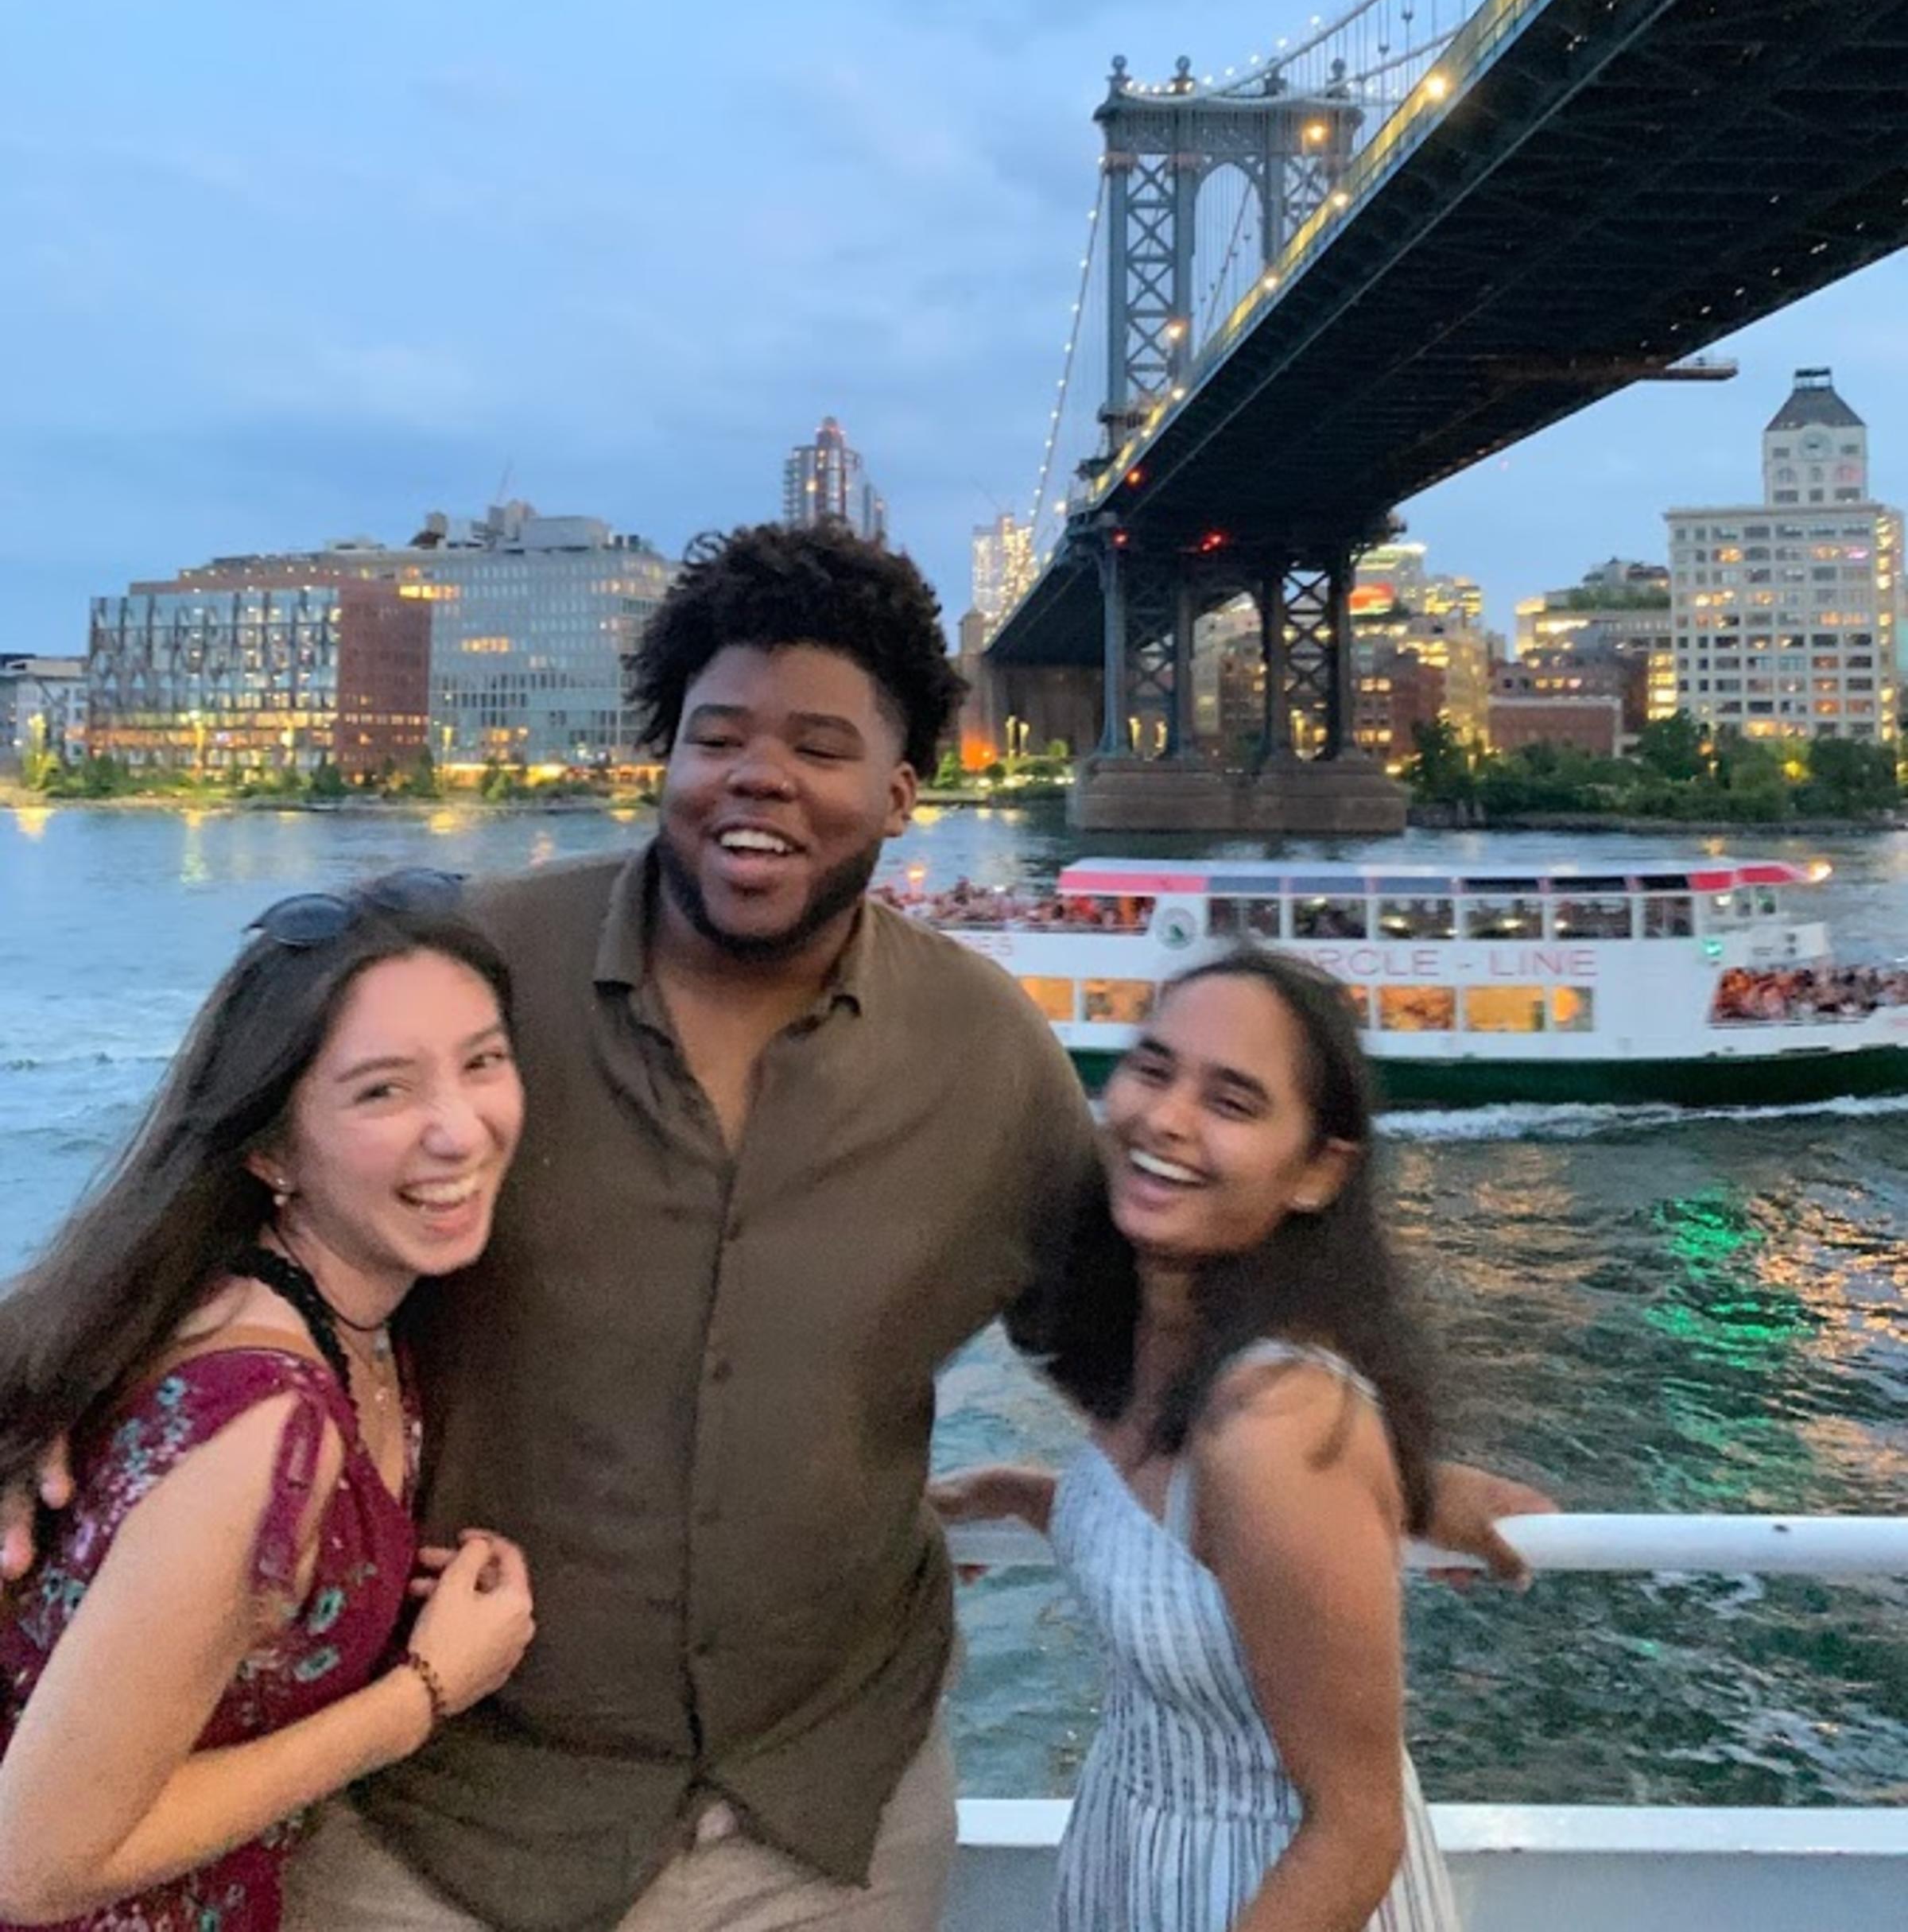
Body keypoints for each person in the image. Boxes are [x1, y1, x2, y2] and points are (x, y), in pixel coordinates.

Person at [6, 526, 1547, 1932]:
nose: (760, 777)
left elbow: (1121, 1333)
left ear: (899, 789)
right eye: (718, 734)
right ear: (661, 756)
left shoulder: (984, 1049)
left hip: (826, 1828)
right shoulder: (481, 980)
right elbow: (224, 1172)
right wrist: (43, 1387)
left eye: (822, 744)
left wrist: (1377, 1472)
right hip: (441, 1822)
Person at [0, 874, 535, 1930]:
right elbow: (33, 1862)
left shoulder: (316, 1315)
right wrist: (423, 1690)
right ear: (271, 1149)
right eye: (382, 1090)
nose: (460, 1130)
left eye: (482, 1062)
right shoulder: (260, 1420)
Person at [933, 949, 1461, 1932]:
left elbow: (1356, 1828)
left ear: (1317, 1173)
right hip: (1144, 1863)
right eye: (1153, 1067)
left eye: (1232, 1101)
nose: (1166, 1118)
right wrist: (1018, 1492)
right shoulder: (1163, 1362)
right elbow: (1192, 1562)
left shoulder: (1275, 1424)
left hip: (1262, 1894)